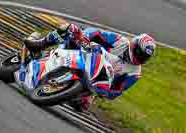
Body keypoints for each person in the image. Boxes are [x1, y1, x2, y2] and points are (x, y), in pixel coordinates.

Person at [21, 23, 156, 111]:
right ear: (134, 45)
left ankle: (59, 88)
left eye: (144, 57)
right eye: (139, 53)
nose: (139, 58)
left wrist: (103, 92)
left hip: (93, 83)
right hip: (85, 53)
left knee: (82, 106)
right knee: (71, 28)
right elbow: (95, 33)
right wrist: (85, 38)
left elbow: (116, 92)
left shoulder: (135, 73)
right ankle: (39, 44)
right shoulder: (120, 41)